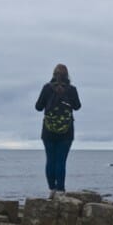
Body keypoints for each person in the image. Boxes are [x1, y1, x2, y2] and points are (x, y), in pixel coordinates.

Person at [35, 64, 81, 197]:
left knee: (50, 160)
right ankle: (60, 190)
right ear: (67, 75)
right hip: (66, 132)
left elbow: (38, 107)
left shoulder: (47, 88)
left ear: (53, 74)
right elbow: (77, 106)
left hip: (48, 131)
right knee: (61, 161)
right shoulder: (71, 90)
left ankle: (52, 189)